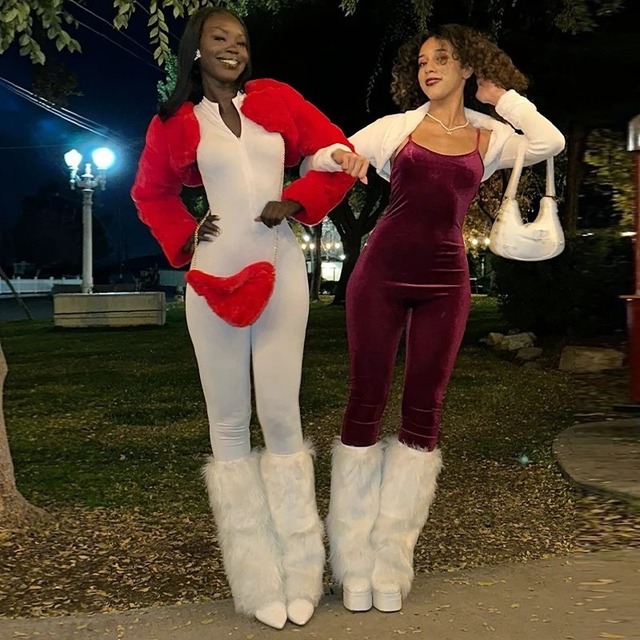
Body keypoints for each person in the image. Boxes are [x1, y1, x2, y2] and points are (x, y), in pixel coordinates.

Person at [303, 24, 565, 614]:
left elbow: (550, 141)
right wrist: (341, 155)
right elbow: (322, 152)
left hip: (447, 282)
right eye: (422, 60)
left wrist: (504, 99)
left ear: (467, 67)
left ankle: (391, 560)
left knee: (425, 410)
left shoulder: (491, 137)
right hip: (380, 276)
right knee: (365, 401)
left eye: (442, 58)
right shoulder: (397, 128)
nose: (429, 68)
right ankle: (352, 561)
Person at [131, 7, 356, 630]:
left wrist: (297, 200)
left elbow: (339, 153)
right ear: (196, 50)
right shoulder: (175, 121)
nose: (233, 48)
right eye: (219, 38)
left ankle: (301, 572)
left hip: (281, 270)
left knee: (281, 416)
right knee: (228, 424)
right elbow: (150, 192)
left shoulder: (276, 100)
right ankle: (256, 580)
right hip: (213, 277)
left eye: (241, 40)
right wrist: (184, 234)